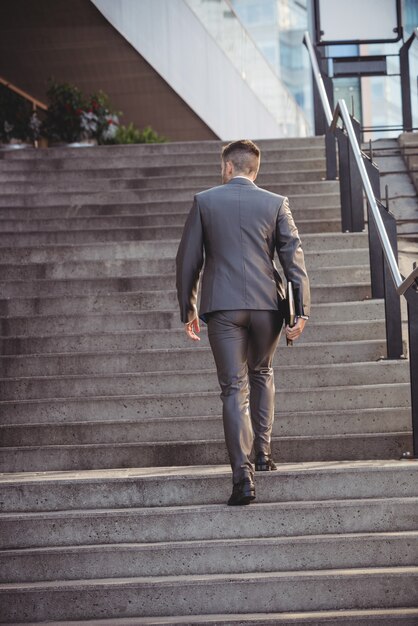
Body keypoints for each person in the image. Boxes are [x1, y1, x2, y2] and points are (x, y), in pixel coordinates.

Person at [176, 139, 310, 506]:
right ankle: (264, 455)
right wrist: (300, 311)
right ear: (256, 169)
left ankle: (242, 478)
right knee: (262, 373)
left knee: (234, 388)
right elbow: (293, 260)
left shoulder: (205, 201)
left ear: (227, 167)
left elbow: (188, 260)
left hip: (223, 306)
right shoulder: (276, 203)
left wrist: (188, 308)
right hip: (268, 306)